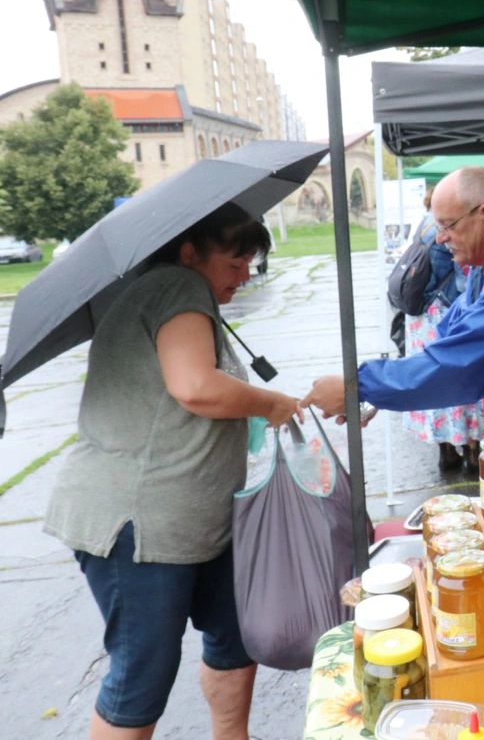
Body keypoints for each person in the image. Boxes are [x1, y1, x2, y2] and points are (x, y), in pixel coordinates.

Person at [43, 203, 303, 740]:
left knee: (234, 637)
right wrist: (272, 403)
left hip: (201, 523)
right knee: (143, 673)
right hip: (138, 528)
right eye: (234, 263)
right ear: (189, 253)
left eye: (250, 264)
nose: (244, 276)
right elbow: (196, 387)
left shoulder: (181, 295)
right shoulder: (177, 287)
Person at [305, 166, 484, 438]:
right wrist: (375, 394)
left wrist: (358, 386)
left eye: (447, 226)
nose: (440, 239)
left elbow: (462, 364)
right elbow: (451, 336)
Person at [403, 189, 484, 470]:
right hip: (444, 311)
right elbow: (464, 280)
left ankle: (446, 451)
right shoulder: (446, 229)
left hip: (421, 317)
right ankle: (473, 450)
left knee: (434, 379)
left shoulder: (422, 224)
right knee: (460, 377)